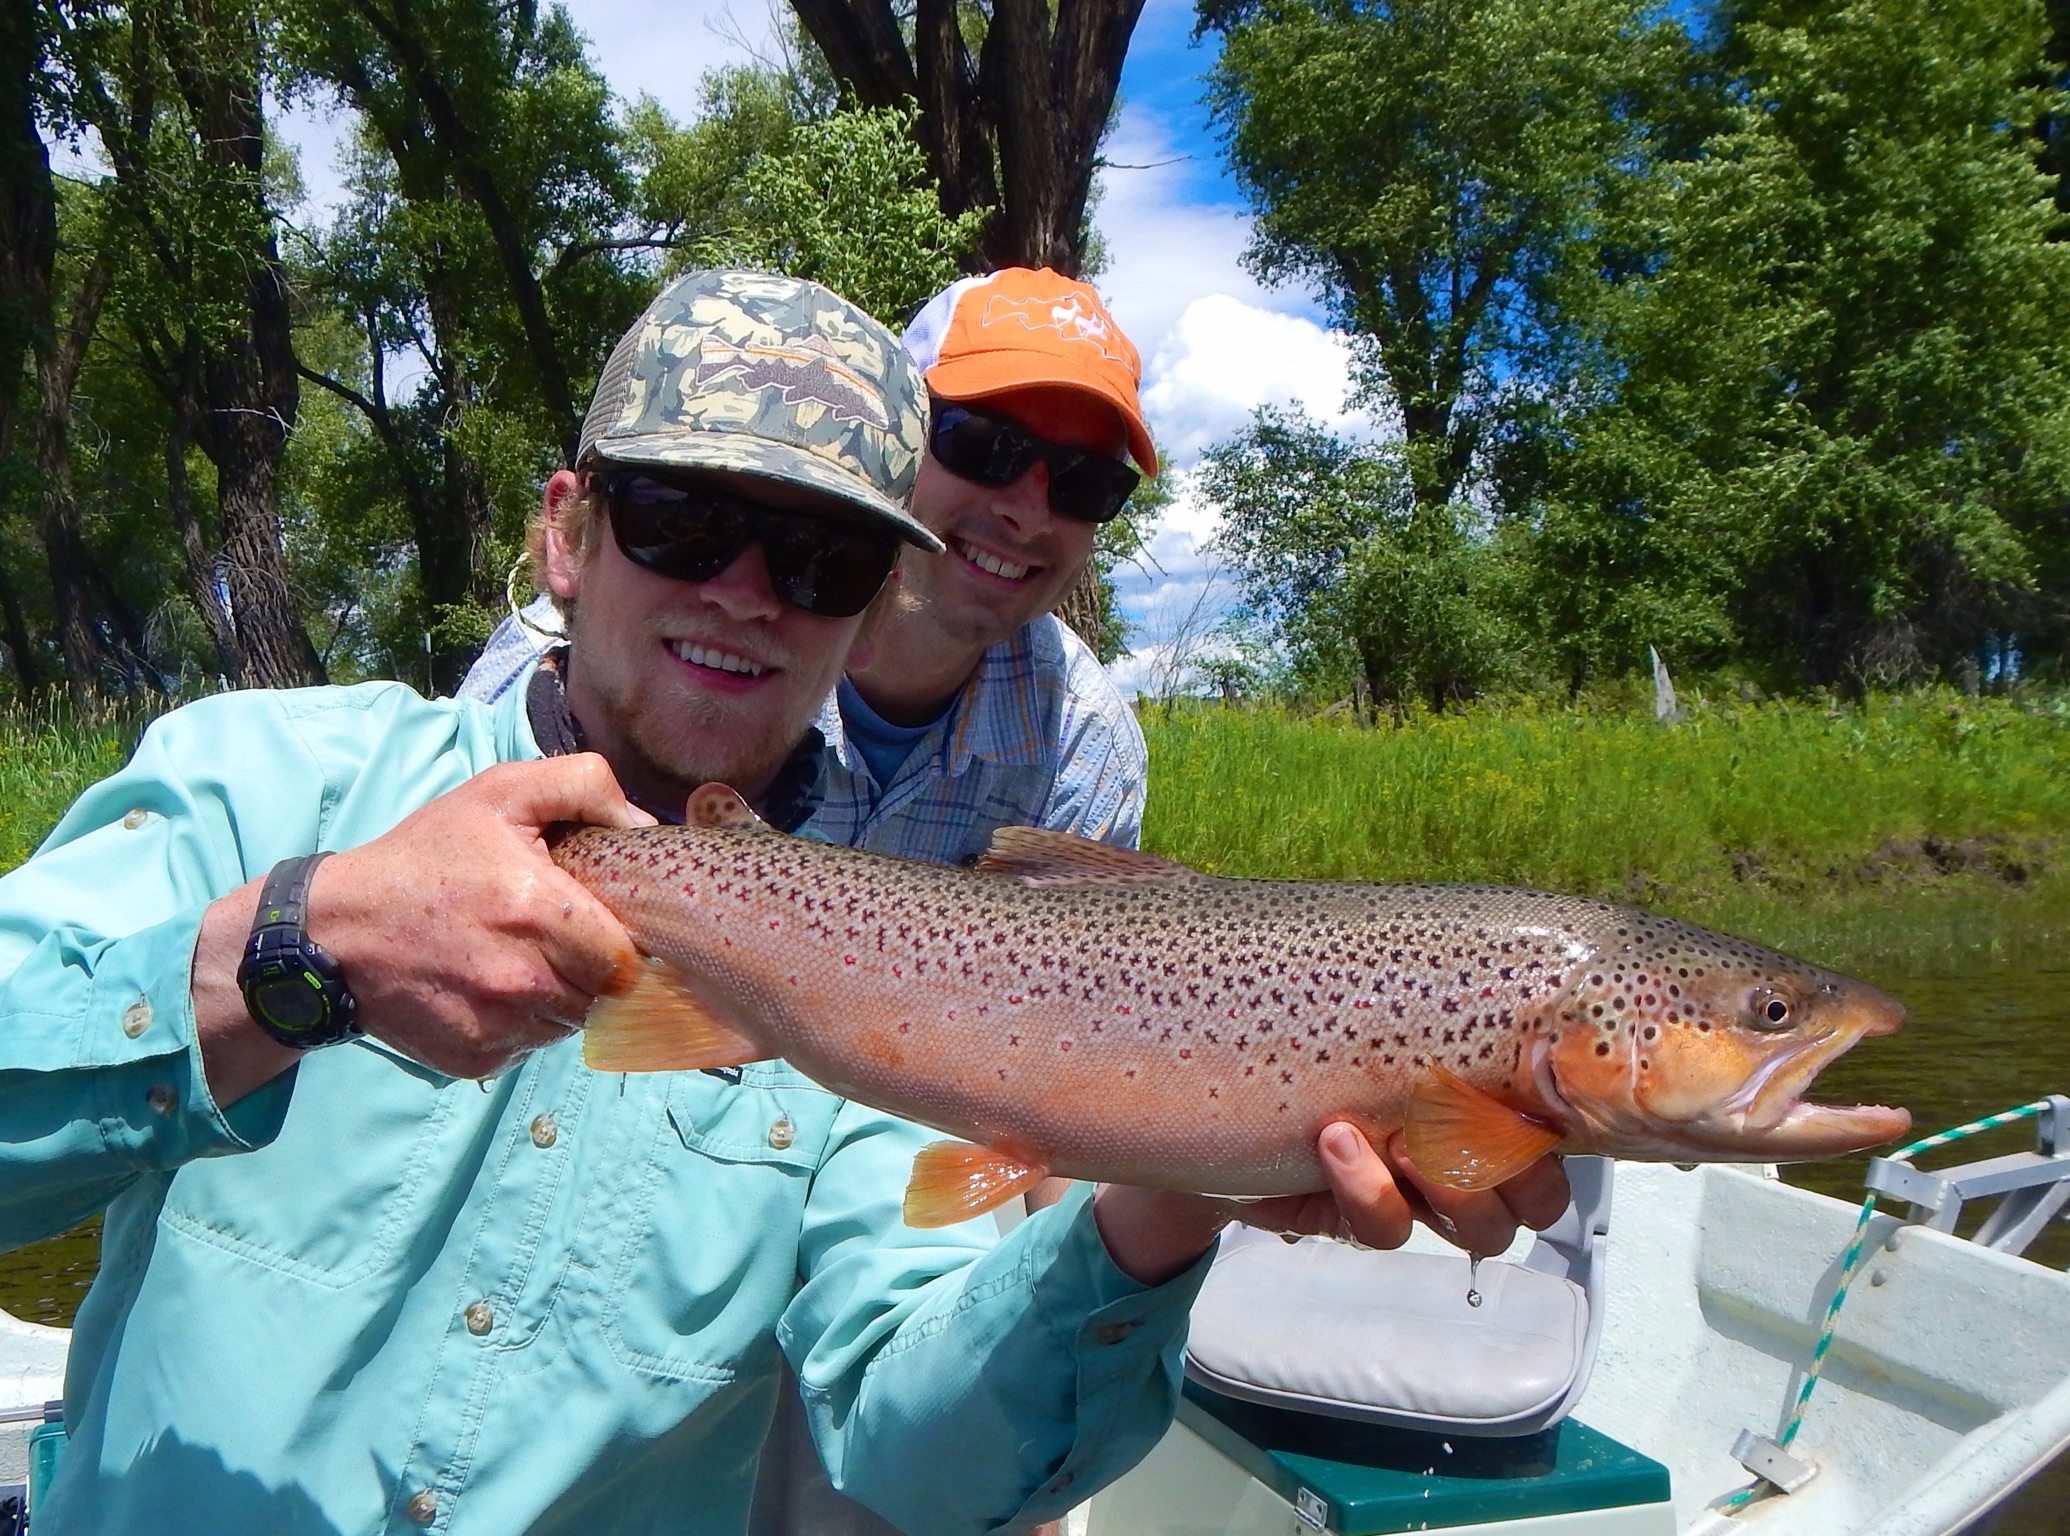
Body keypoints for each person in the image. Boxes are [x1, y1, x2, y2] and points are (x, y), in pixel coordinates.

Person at [0, 270, 1567, 1536]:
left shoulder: (888, 993)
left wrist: (1170, 1190)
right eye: (682, 519)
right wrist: (287, 954)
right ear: (565, 530)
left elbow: (925, 1463)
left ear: (870, 599)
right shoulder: (262, 785)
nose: (746, 590)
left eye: (817, 557)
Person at [464, 267, 1154, 866]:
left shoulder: (1086, 745)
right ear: (883, 447)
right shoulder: (585, 647)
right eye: (983, 445)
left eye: (1084, 483)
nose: (1029, 514)